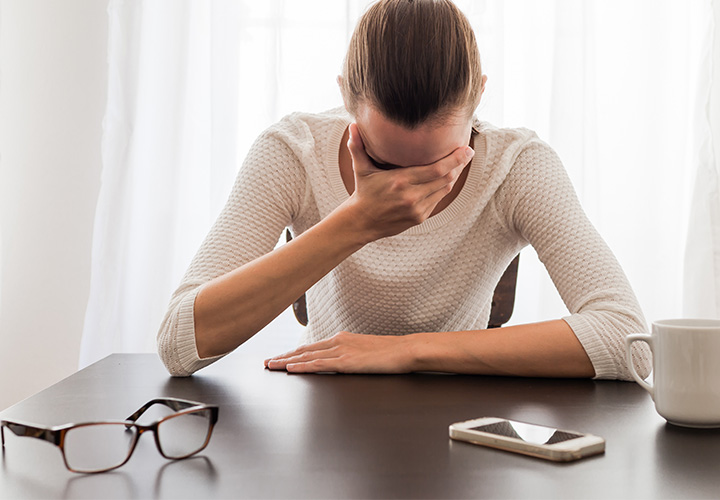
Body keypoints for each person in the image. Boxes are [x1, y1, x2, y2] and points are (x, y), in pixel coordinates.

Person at [157, 0, 650, 380]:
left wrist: (408, 349)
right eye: (385, 162)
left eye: (437, 165)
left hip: (459, 428)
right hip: (328, 433)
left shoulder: (515, 166)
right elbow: (178, 343)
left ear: (479, 94)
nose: (408, 188)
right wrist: (356, 221)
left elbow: (628, 339)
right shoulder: (294, 151)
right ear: (346, 98)